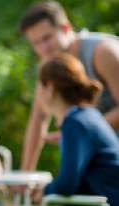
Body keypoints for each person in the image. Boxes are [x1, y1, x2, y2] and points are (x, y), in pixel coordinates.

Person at [18, 0, 119, 171]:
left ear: (65, 28)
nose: (43, 48)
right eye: (36, 43)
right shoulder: (49, 64)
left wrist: (79, 130)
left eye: (47, 38)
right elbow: (38, 120)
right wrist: (25, 177)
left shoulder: (103, 52)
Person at [33, 53, 119, 204]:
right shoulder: (86, 115)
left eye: (39, 86)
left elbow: (67, 185)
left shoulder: (75, 122)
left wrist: (44, 190)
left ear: (50, 87)